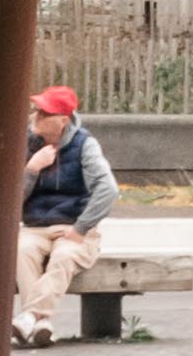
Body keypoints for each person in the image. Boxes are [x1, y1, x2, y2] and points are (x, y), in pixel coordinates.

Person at [16, 84, 120, 342]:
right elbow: (9, 199)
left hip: (73, 229)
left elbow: (108, 189)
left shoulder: (85, 145)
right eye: (36, 111)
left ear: (63, 120)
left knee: (64, 255)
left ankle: (29, 317)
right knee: (22, 250)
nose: (36, 117)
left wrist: (80, 228)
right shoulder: (27, 145)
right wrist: (31, 170)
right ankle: (42, 324)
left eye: (44, 114)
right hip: (35, 227)